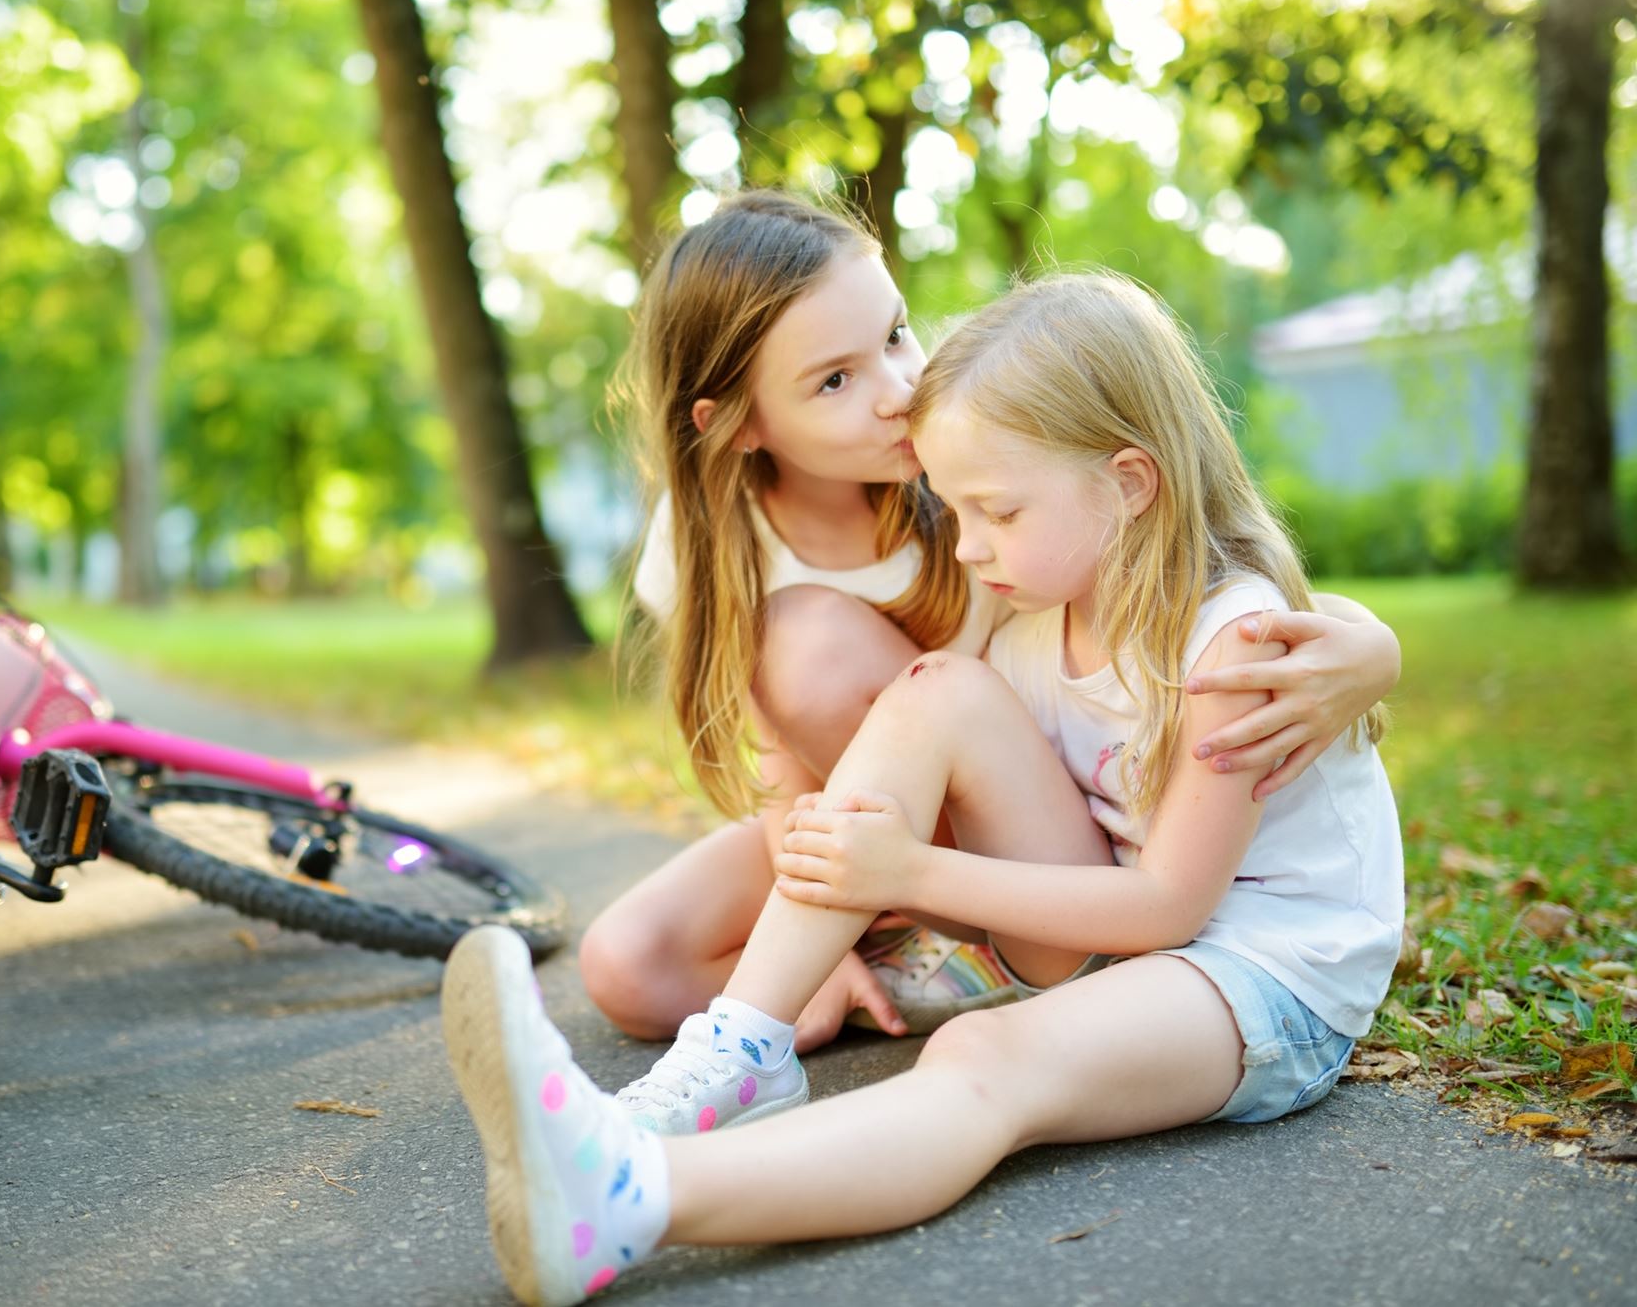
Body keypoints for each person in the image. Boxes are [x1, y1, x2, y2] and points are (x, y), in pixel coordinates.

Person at [440, 269, 1406, 1306]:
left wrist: (910, 870)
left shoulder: (1232, 651)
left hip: (1263, 978)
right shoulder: (1034, 616)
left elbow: (1168, 905)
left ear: (1129, 483)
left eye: (995, 510)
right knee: (935, 688)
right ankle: (734, 1050)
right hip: (1122, 942)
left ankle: (628, 1198)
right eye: (954, 510)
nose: (967, 543)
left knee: (985, 1061)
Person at [584, 190, 1402, 1061]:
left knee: (822, 647)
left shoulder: (986, 487)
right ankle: (875, 954)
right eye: (835, 380)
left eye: (896, 335)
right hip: (863, 820)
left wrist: (1372, 647)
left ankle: (963, 949)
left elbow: (1197, 571)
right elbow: (784, 756)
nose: (899, 392)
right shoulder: (704, 537)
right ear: (741, 425)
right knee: (627, 965)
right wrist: (804, 946)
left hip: (1025, 844)